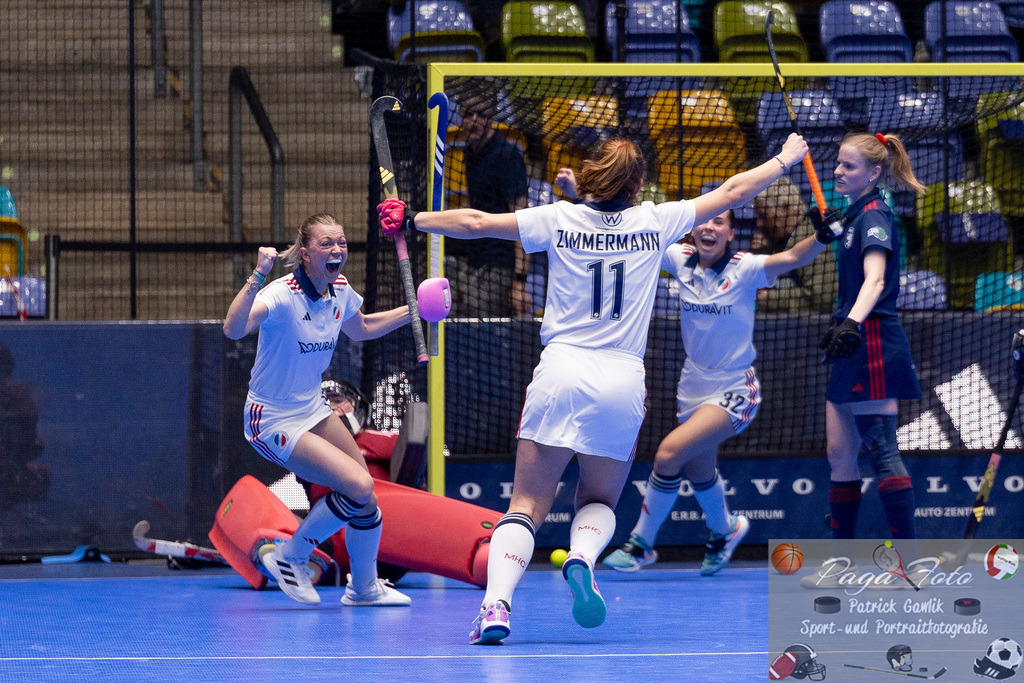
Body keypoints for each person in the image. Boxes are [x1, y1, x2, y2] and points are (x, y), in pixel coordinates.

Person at [377, 133, 810, 644]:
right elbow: (735, 190)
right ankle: (582, 558)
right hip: (622, 380)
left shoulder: (559, 218)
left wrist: (412, 219)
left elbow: (476, 224)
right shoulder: (656, 221)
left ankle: (496, 605)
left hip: (562, 369)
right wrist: (785, 158)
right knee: (599, 498)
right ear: (639, 185)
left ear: (588, 177)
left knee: (525, 506)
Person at [603, 204, 836, 575]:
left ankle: (640, 545)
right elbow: (633, 234)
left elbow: (791, 257)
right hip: (692, 385)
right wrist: (585, 199)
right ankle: (725, 530)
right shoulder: (679, 259)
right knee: (698, 472)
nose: (708, 228)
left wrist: (823, 237)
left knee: (668, 454)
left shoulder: (745, 269)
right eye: (703, 222)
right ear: (690, 232)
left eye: (719, 222)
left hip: (734, 389)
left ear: (730, 234)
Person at [222, 213, 413, 607]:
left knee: (367, 497)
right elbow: (233, 328)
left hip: (312, 407)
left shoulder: (339, 289)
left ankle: (363, 588)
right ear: (305, 254)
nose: (337, 250)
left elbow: (361, 327)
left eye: (341, 242)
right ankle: (290, 556)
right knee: (358, 488)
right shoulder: (281, 293)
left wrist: (415, 311)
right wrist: (257, 276)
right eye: (326, 243)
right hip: (271, 418)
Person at [818, 132, 926, 542]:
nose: (837, 171)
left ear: (874, 173)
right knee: (839, 455)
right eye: (838, 163)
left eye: (848, 166)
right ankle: (842, 559)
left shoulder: (875, 215)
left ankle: (907, 562)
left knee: (882, 453)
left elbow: (876, 279)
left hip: (872, 341)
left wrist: (852, 323)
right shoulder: (855, 214)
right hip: (851, 342)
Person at [449, 92, 531, 317]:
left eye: (481, 114)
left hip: (498, 265)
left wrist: (519, 282)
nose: (473, 120)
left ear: (492, 116)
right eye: (468, 114)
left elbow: (522, 220)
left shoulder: (507, 155)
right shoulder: (471, 153)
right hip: (474, 259)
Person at [751, 177, 838, 314]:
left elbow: (821, 298)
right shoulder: (778, 239)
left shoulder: (811, 238)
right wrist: (761, 252)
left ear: (785, 209)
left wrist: (769, 300)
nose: (759, 223)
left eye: (764, 215)